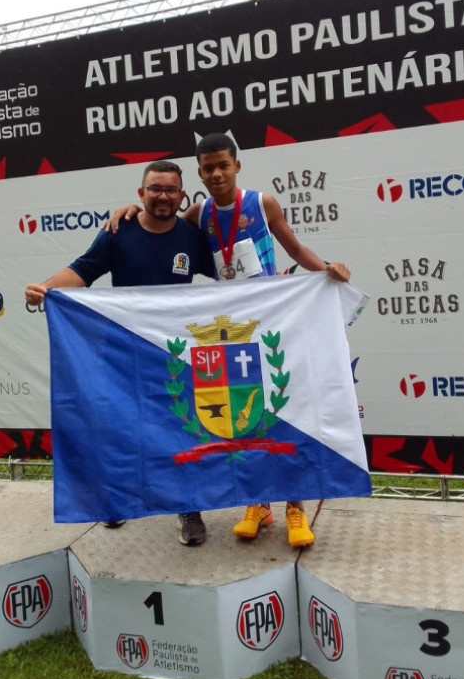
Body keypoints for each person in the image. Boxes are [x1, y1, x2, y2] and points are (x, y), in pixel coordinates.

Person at [107, 133, 351, 548]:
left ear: (237, 165)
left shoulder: (262, 203)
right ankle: (258, 504)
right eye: (208, 168)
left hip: (272, 323)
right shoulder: (198, 212)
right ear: (199, 174)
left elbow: (293, 246)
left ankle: (295, 507)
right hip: (231, 332)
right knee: (247, 416)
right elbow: (159, 228)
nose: (216, 173)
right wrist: (128, 210)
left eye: (223, 164)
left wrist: (327, 268)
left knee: (284, 411)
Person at [25, 160, 214, 546]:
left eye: (170, 190)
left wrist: (271, 287)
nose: (163, 196)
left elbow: (229, 280)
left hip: (172, 353)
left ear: (182, 195)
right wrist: (44, 288)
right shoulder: (117, 231)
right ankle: (116, 501)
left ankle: (186, 507)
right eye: (155, 188)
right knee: (119, 429)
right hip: (122, 352)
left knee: (181, 429)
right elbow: (82, 270)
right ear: (141, 193)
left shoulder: (192, 237)